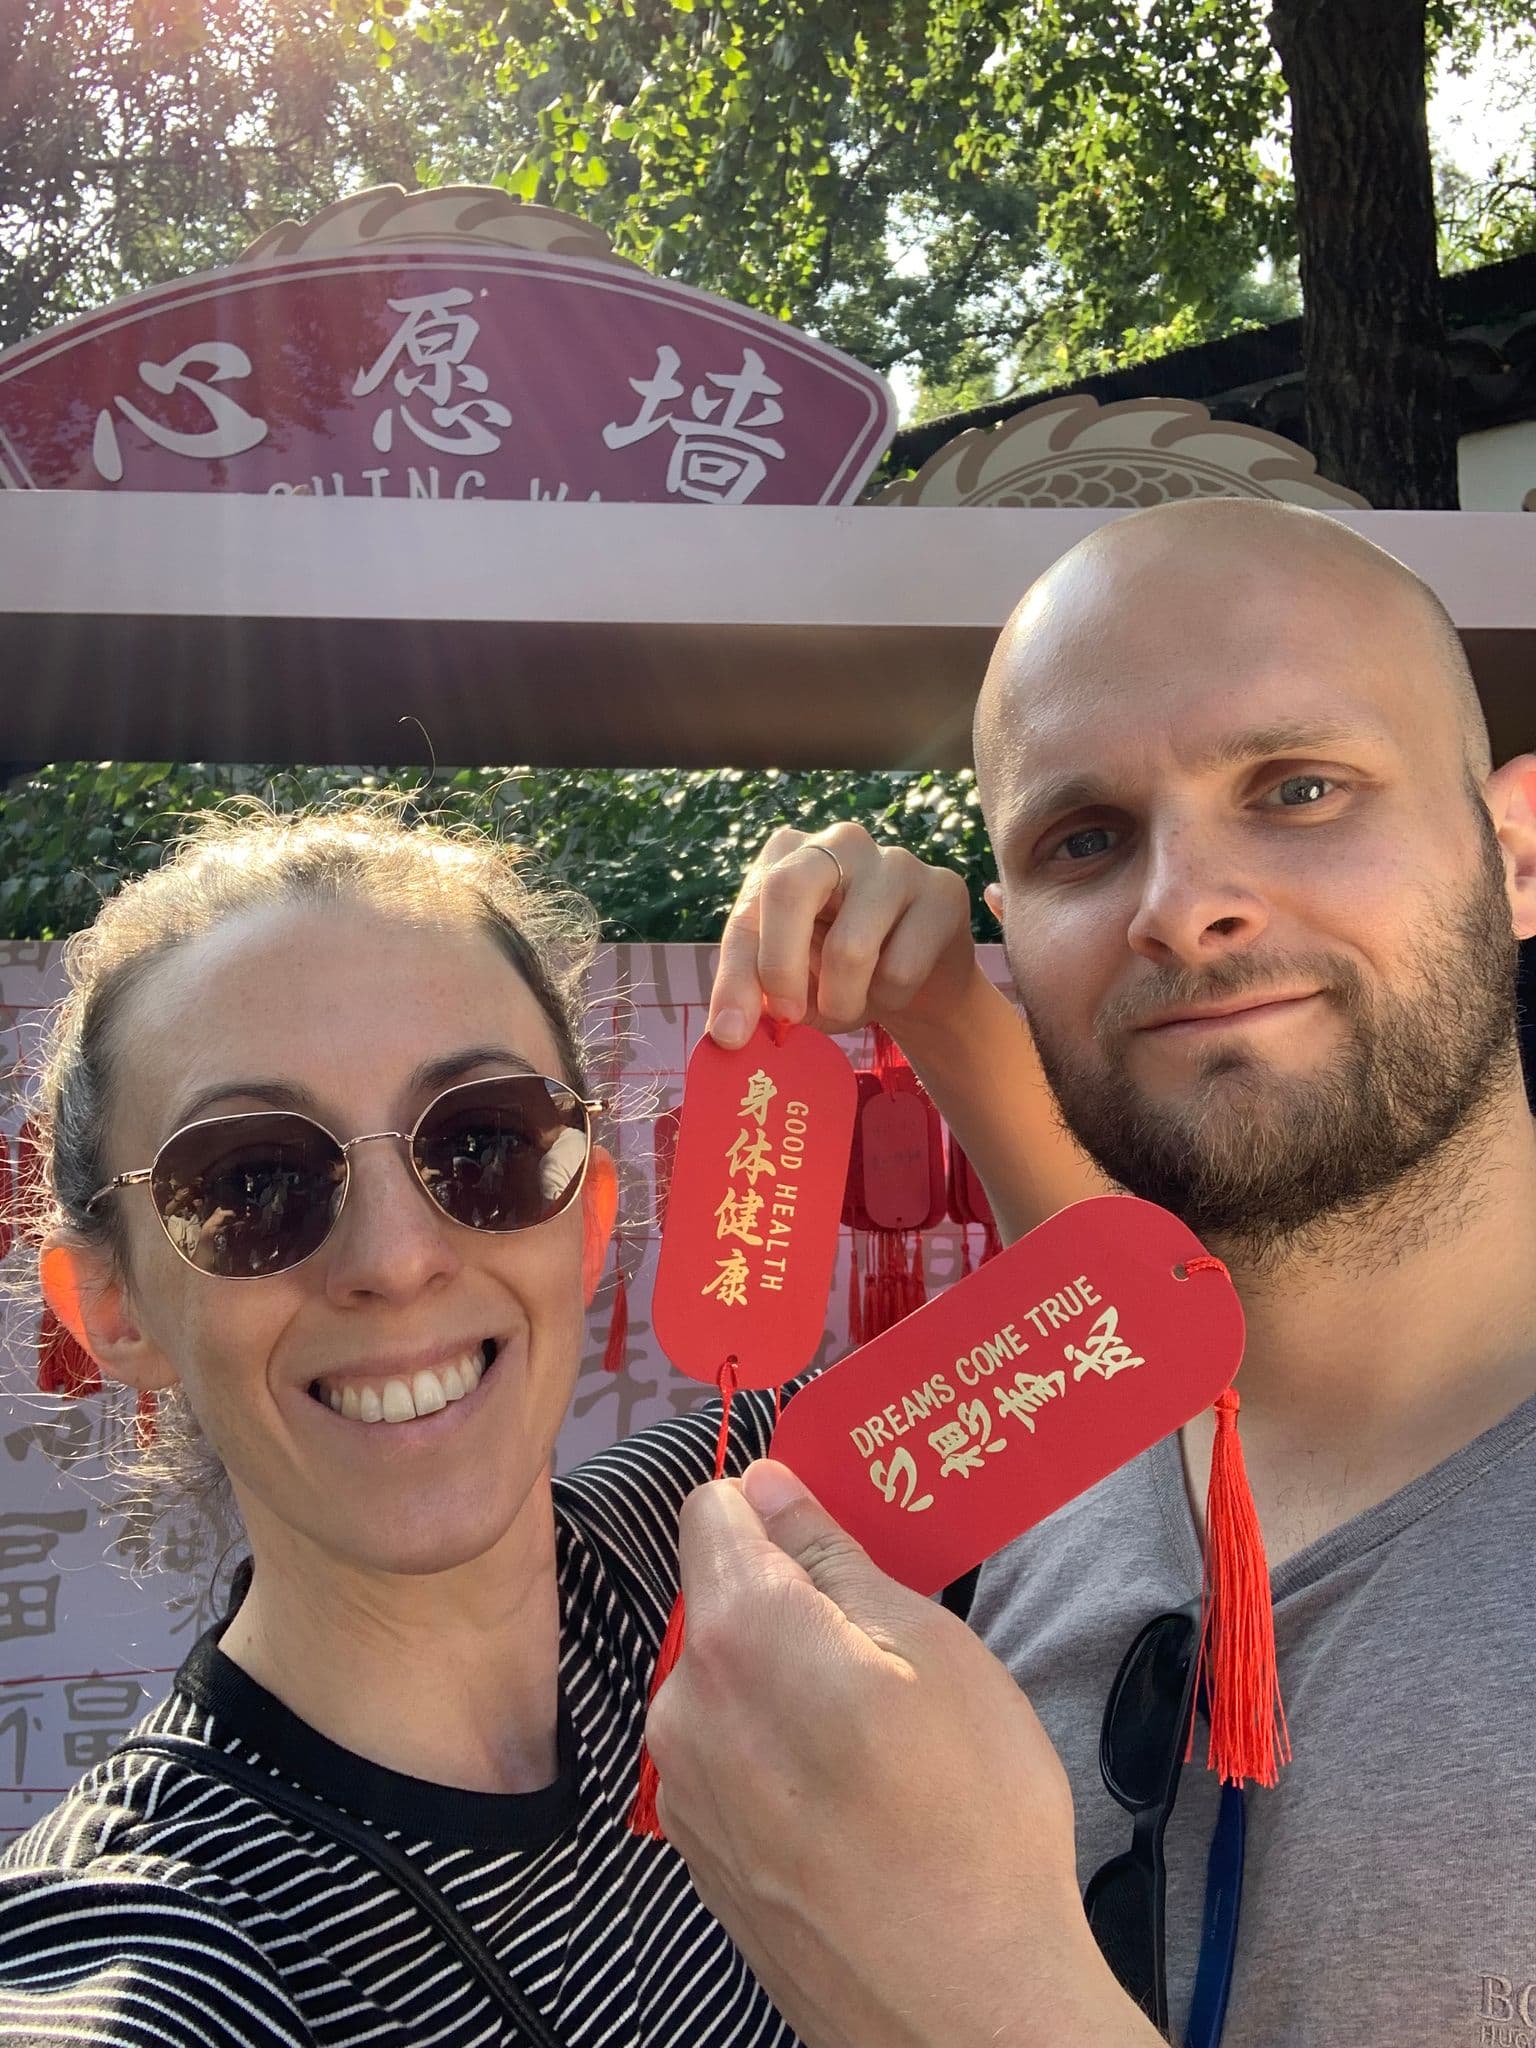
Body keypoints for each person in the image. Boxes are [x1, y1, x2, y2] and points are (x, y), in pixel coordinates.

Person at [647, 499, 1536, 2048]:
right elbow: (1140, 1288)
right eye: (1083, 842)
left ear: (1515, 852)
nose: (1181, 907)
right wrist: (936, 1012)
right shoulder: (1072, 1417)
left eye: (1302, 788)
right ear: (1012, 925)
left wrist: (976, 2004)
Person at [0, 800, 903, 2048]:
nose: (398, 1258)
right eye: (250, 1180)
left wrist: (957, 1016)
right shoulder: (159, 1949)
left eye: (482, 1140)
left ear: (586, 1216)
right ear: (113, 1308)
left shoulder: (729, 1538)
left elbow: (1164, 1353)